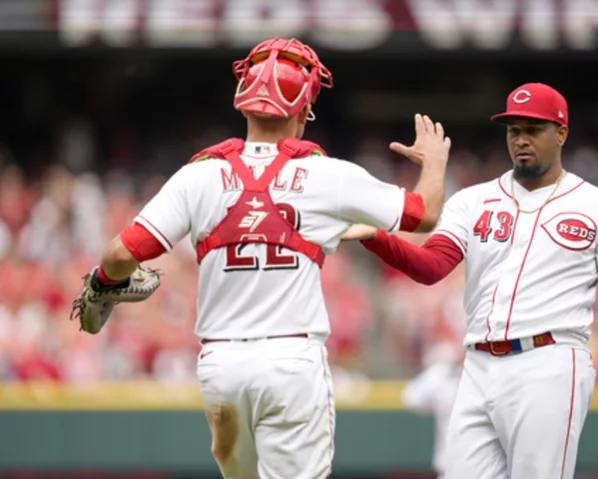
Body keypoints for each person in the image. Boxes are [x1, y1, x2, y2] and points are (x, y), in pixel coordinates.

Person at [88, 37, 451, 479]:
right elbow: (423, 215)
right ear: (303, 112)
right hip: (290, 362)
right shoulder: (326, 175)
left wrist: (104, 285)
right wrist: (433, 162)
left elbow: (121, 252)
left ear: (244, 105)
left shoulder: (198, 174)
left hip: (221, 368)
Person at [342, 83, 598, 478]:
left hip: (550, 362)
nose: (521, 139)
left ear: (561, 133)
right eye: (513, 129)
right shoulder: (473, 200)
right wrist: (377, 238)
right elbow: (432, 267)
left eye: (533, 129)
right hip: (479, 364)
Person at [401, 342, 463, 479]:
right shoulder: (444, 375)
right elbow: (410, 397)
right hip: (449, 468)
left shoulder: (488, 373)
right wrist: (443, 370)